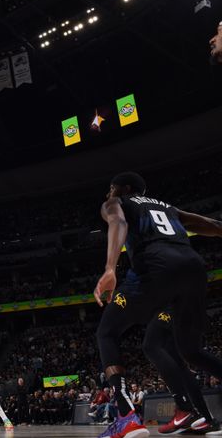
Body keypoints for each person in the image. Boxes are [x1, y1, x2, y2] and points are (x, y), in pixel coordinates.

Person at [93, 171, 222, 438]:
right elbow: (210, 224)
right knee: (190, 350)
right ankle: (187, 410)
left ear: (123, 189)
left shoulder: (116, 203)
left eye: (111, 188)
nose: (108, 193)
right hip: (194, 269)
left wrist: (109, 268)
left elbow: (118, 222)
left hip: (156, 269)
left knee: (107, 332)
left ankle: (127, 418)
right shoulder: (167, 207)